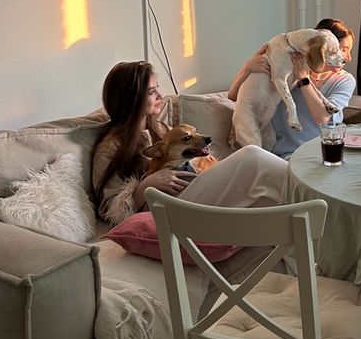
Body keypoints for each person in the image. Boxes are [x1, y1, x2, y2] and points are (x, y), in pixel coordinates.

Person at [92, 60, 288, 227]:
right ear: (131, 99)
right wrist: (145, 187)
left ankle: (306, 247)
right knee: (252, 157)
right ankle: (307, 189)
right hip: (168, 208)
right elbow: (110, 210)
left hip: (189, 192)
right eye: (151, 91)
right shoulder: (110, 147)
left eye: (157, 88)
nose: (160, 96)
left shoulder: (160, 129)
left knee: (264, 199)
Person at [228, 18, 356, 159]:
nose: (347, 57)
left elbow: (323, 118)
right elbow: (233, 96)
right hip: (283, 154)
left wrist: (303, 79)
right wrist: (247, 68)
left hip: (323, 153)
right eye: (343, 50)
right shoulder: (284, 67)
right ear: (321, 49)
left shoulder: (345, 80)